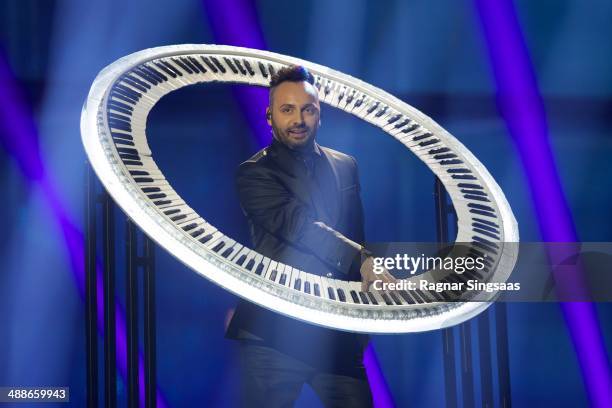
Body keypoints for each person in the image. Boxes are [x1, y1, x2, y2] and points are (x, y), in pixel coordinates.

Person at [225, 65, 393, 408]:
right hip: (274, 335)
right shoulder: (254, 173)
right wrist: (362, 261)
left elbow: (358, 235)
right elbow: (299, 226)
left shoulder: (346, 165)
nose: (299, 118)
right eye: (288, 109)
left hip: (337, 337)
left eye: (308, 109)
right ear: (270, 117)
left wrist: (362, 319)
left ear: (320, 115)